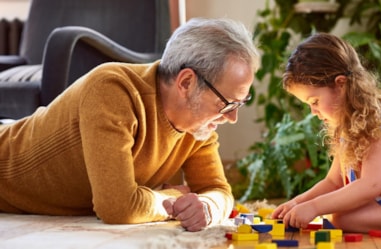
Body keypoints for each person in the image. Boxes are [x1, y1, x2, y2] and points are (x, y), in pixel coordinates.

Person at [0, 17, 260, 232]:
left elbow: (218, 191)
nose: (231, 117)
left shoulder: (198, 126)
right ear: (186, 83)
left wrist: (207, 206)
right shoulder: (112, 90)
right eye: (227, 104)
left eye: (239, 104)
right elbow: (118, 207)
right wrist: (171, 198)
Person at [272, 32, 381, 237]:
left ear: (341, 84)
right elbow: (333, 182)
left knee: (341, 215)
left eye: (315, 101)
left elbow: (370, 185)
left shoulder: (377, 116)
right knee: (342, 217)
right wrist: (298, 202)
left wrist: (315, 208)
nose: (313, 112)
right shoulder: (347, 122)